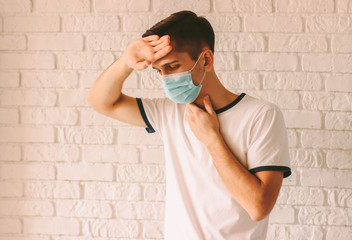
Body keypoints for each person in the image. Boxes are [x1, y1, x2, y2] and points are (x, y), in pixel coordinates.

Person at [87, 10, 291, 240]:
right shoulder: (168, 111)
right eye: (159, 71)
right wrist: (126, 61)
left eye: (172, 67)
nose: (165, 78)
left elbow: (258, 207)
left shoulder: (261, 115)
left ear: (206, 60)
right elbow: (101, 102)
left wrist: (212, 139)